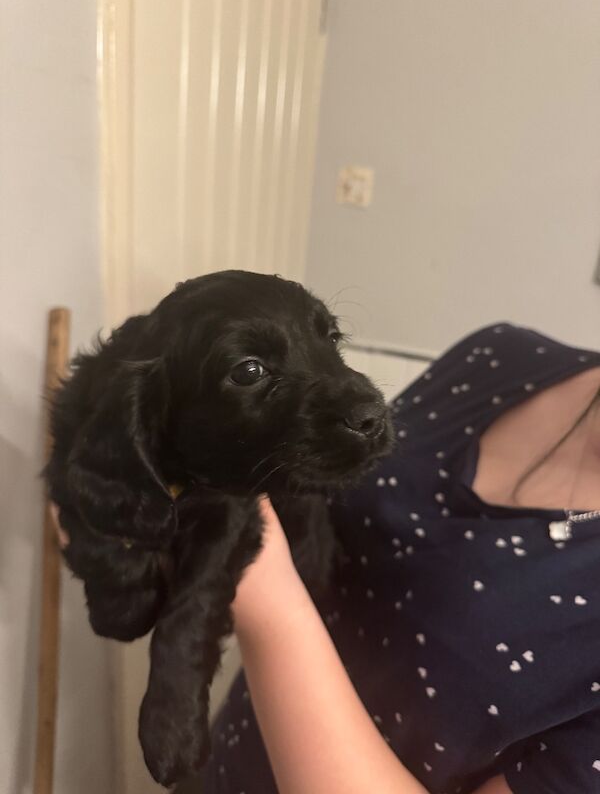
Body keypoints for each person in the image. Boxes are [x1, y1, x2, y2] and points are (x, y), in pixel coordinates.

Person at [52, 322, 600, 793]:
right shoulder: (502, 355)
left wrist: (259, 592)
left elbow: (265, 562)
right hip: (222, 761)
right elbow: (312, 486)